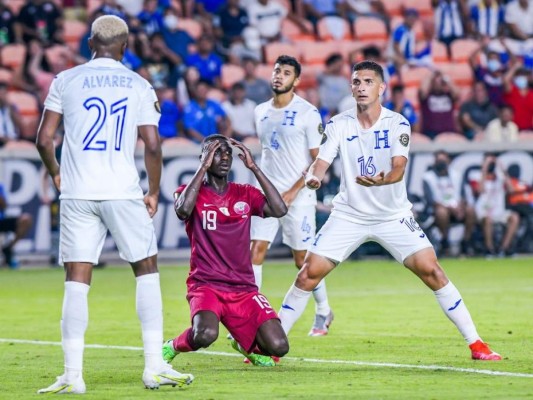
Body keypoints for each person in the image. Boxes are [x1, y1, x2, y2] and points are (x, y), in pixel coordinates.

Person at [278, 60, 501, 362]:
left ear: (381, 88)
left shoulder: (398, 123)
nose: (361, 87)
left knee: (433, 271)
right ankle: (272, 346)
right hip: (349, 215)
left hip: (393, 216)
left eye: (368, 82)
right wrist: (315, 176)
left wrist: (384, 179)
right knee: (307, 275)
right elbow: (321, 161)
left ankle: (477, 344)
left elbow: (398, 168)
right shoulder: (338, 124)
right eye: (356, 82)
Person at [35, 15, 194, 394]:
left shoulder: (66, 80)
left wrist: (57, 173)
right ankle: (154, 366)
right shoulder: (139, 83)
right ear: (125, 47)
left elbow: (44, 139)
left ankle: (73, 375)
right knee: (146, 270)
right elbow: (153, 145)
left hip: (78, 192)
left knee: (76, 279)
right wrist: (153, 191)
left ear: (90, 43)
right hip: (123, 191)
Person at [162, 135, 289, 368]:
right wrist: (202, 167)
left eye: (228, 153)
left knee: (279, 346)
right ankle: (171, 346)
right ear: (204, 158)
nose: (225, 157)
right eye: (217, 152)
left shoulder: (245, 193)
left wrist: (254, 167)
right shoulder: (189, 191)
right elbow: (182, 211)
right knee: (205, 335)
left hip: (243, 288)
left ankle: (244, 344)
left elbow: (280, 209)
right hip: (206, 285)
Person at [251, 55, 334, 337]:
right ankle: (252, 316)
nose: (279, 76)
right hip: (266, 196)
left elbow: (317, 161)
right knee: (255, 252)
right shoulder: (260, 111)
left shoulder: (308, 114)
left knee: (303, 261)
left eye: (286, 73)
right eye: (276, 71)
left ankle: (323, 310)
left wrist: (290, 191)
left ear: (296, 80)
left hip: (297, 198)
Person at [422, 151, 476, 256]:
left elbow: (463, 195)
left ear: (449, 161)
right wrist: (449, 208)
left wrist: (460, 207)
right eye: (439, 160)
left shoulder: (456, 175)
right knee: (442, 212)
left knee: (470, 210)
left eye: (444, 160)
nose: (441, 163)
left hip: (457, 208)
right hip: (439, 210)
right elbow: (430, 200)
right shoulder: (428, 177)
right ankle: (445, 241)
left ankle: (465, 242)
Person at [474, 153, 520, 257]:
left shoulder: (500, 176)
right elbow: (480, 190)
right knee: (488, 219)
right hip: (483, 211)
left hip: (499, 211)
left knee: (514, 217)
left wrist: (503, 170)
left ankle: (504, 248)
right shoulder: (477, 175)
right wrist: (484, 169)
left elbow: (511, 190)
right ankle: (489, 249)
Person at [0, 183, 32, 268]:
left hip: (1, 220)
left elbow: (4, 206)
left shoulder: (0, 187)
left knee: (25, 220)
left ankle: (8, 248)